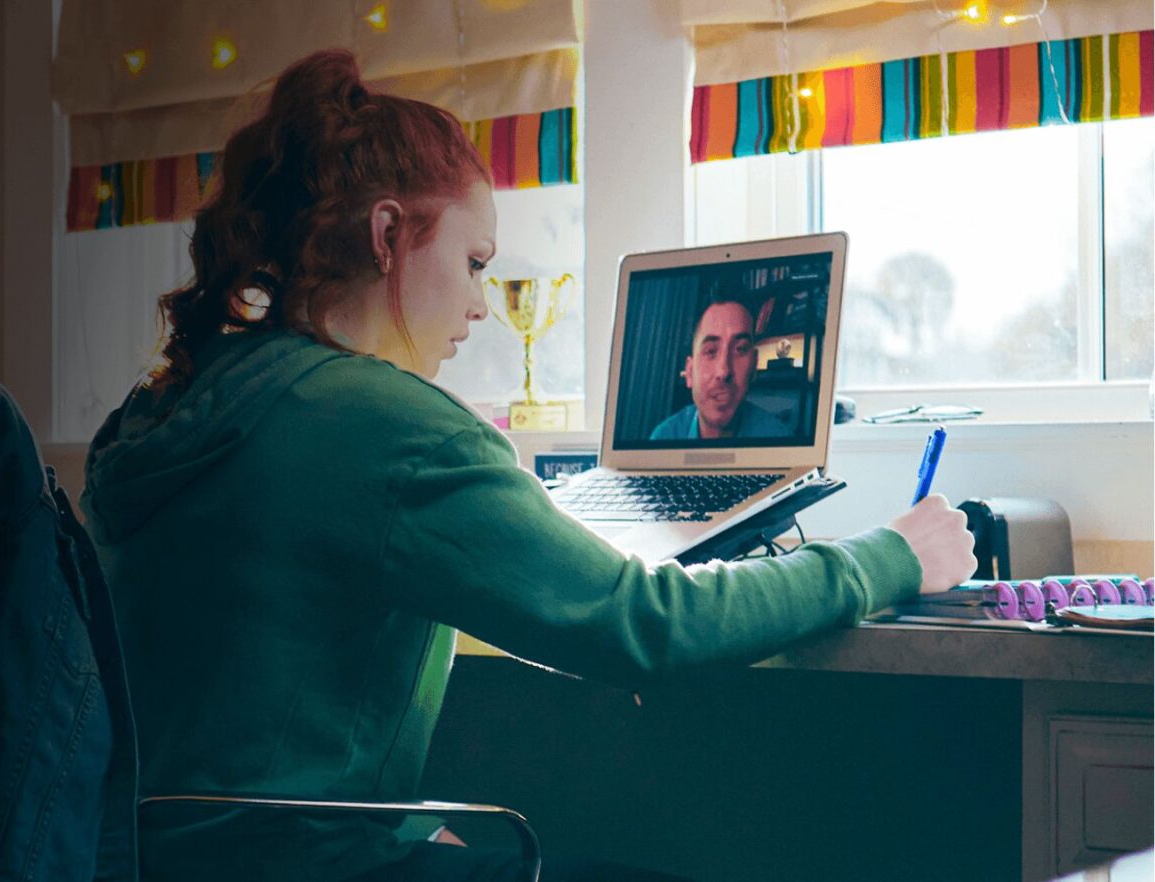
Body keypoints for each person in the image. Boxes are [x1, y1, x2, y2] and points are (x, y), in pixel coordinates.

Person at [77, 50, 977, 882]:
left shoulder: (171, 401)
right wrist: (888, 556)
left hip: (141, 854)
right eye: (472, 264)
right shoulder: (385, 425)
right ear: (388, 235)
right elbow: (645, 627)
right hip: (310, 859)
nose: (479, 305)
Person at [647, 287, 796, 440]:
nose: (724, 371)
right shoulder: (663, 438)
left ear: (754, 366)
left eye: (740, 349)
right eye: (711, 351)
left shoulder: (780, 441)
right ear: (690, 372)